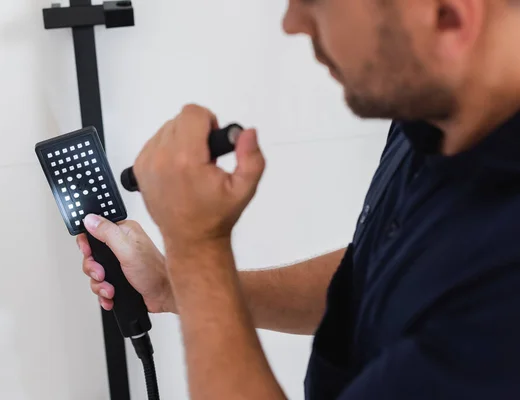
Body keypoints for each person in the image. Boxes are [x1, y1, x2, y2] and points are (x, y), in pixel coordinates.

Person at [77, 0, 520, 398]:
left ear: (447, 15)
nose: (292, 23)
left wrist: (197, 247)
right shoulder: (436, 114)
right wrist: (177, 286)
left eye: (315, 2)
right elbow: (391, 278)